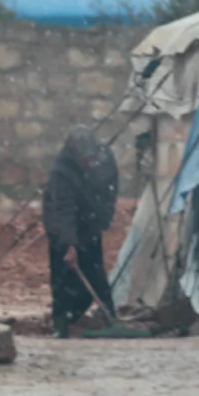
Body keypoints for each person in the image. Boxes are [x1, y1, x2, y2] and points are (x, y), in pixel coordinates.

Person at [42, 125, 119, 339]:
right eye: (84, 159)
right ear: (74, 156)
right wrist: (69, 244)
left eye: (91, 158)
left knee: (95, 271)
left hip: (91, 221)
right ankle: (61, 322)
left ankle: (108, 315)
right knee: (63, 275)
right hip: (61, 223)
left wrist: (104, 217)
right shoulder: (62, 171)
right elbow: (63, 209)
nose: (89, 163)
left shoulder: (104, 160)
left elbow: (111, 189)